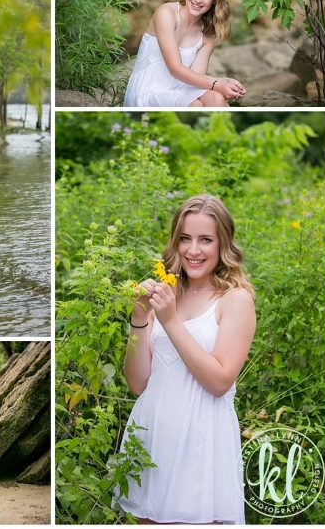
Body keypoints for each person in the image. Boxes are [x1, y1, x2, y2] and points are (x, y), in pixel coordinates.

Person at [116, 195, 256, 523]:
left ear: (223, 244)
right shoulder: (168, 292)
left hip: (201, 441)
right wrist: (139, 316)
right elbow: (138, 384)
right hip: (152, 435)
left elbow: (220, 381)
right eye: (185, 239)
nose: (193, 250)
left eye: (205, 240)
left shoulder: (235, 299)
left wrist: (170, 322)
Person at [124, 0, 246, 107]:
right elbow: (175, 68)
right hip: (149, 90)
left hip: (181, 89)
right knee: (196, 105)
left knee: (217, 99)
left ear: (214, 0)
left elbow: (196, 78)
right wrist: (217, 83)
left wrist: (226, 85)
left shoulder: (208, 34)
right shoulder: (166, 13)